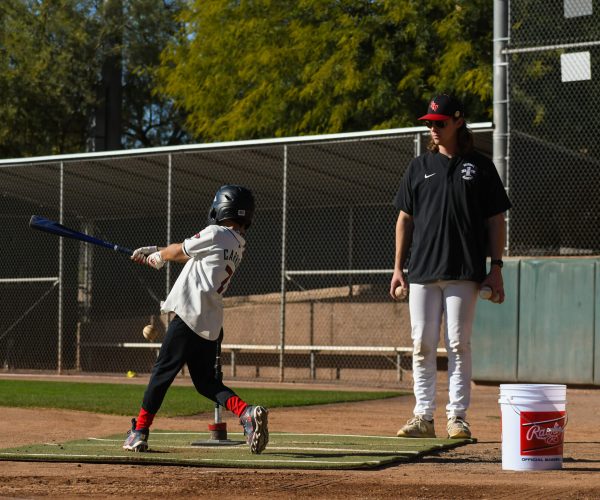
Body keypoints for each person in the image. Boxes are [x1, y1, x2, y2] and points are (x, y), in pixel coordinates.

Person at [390, 94, 511, 439]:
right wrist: (398, 268)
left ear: (459, 121)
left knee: (458, 343)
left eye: (440, 123)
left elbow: (496, 220)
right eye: (429, 123)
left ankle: (457, 417)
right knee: (422, 344)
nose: (433, 129)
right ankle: (422, 417)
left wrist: (496, 267)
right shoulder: (419, 167)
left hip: (464, 271)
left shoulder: (480, 165)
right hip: (423, 272)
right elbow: (404, 220)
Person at [123, 185, 269, 454]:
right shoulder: (237, 244)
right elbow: (191, 254)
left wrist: (160, 256)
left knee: (161, 374)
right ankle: (246, 413)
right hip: (210, 323)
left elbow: (180, 252)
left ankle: (139, 431)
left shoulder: (215, 232)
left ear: (221, 208)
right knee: (205, 382)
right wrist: (157, 251)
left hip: (188, 315)